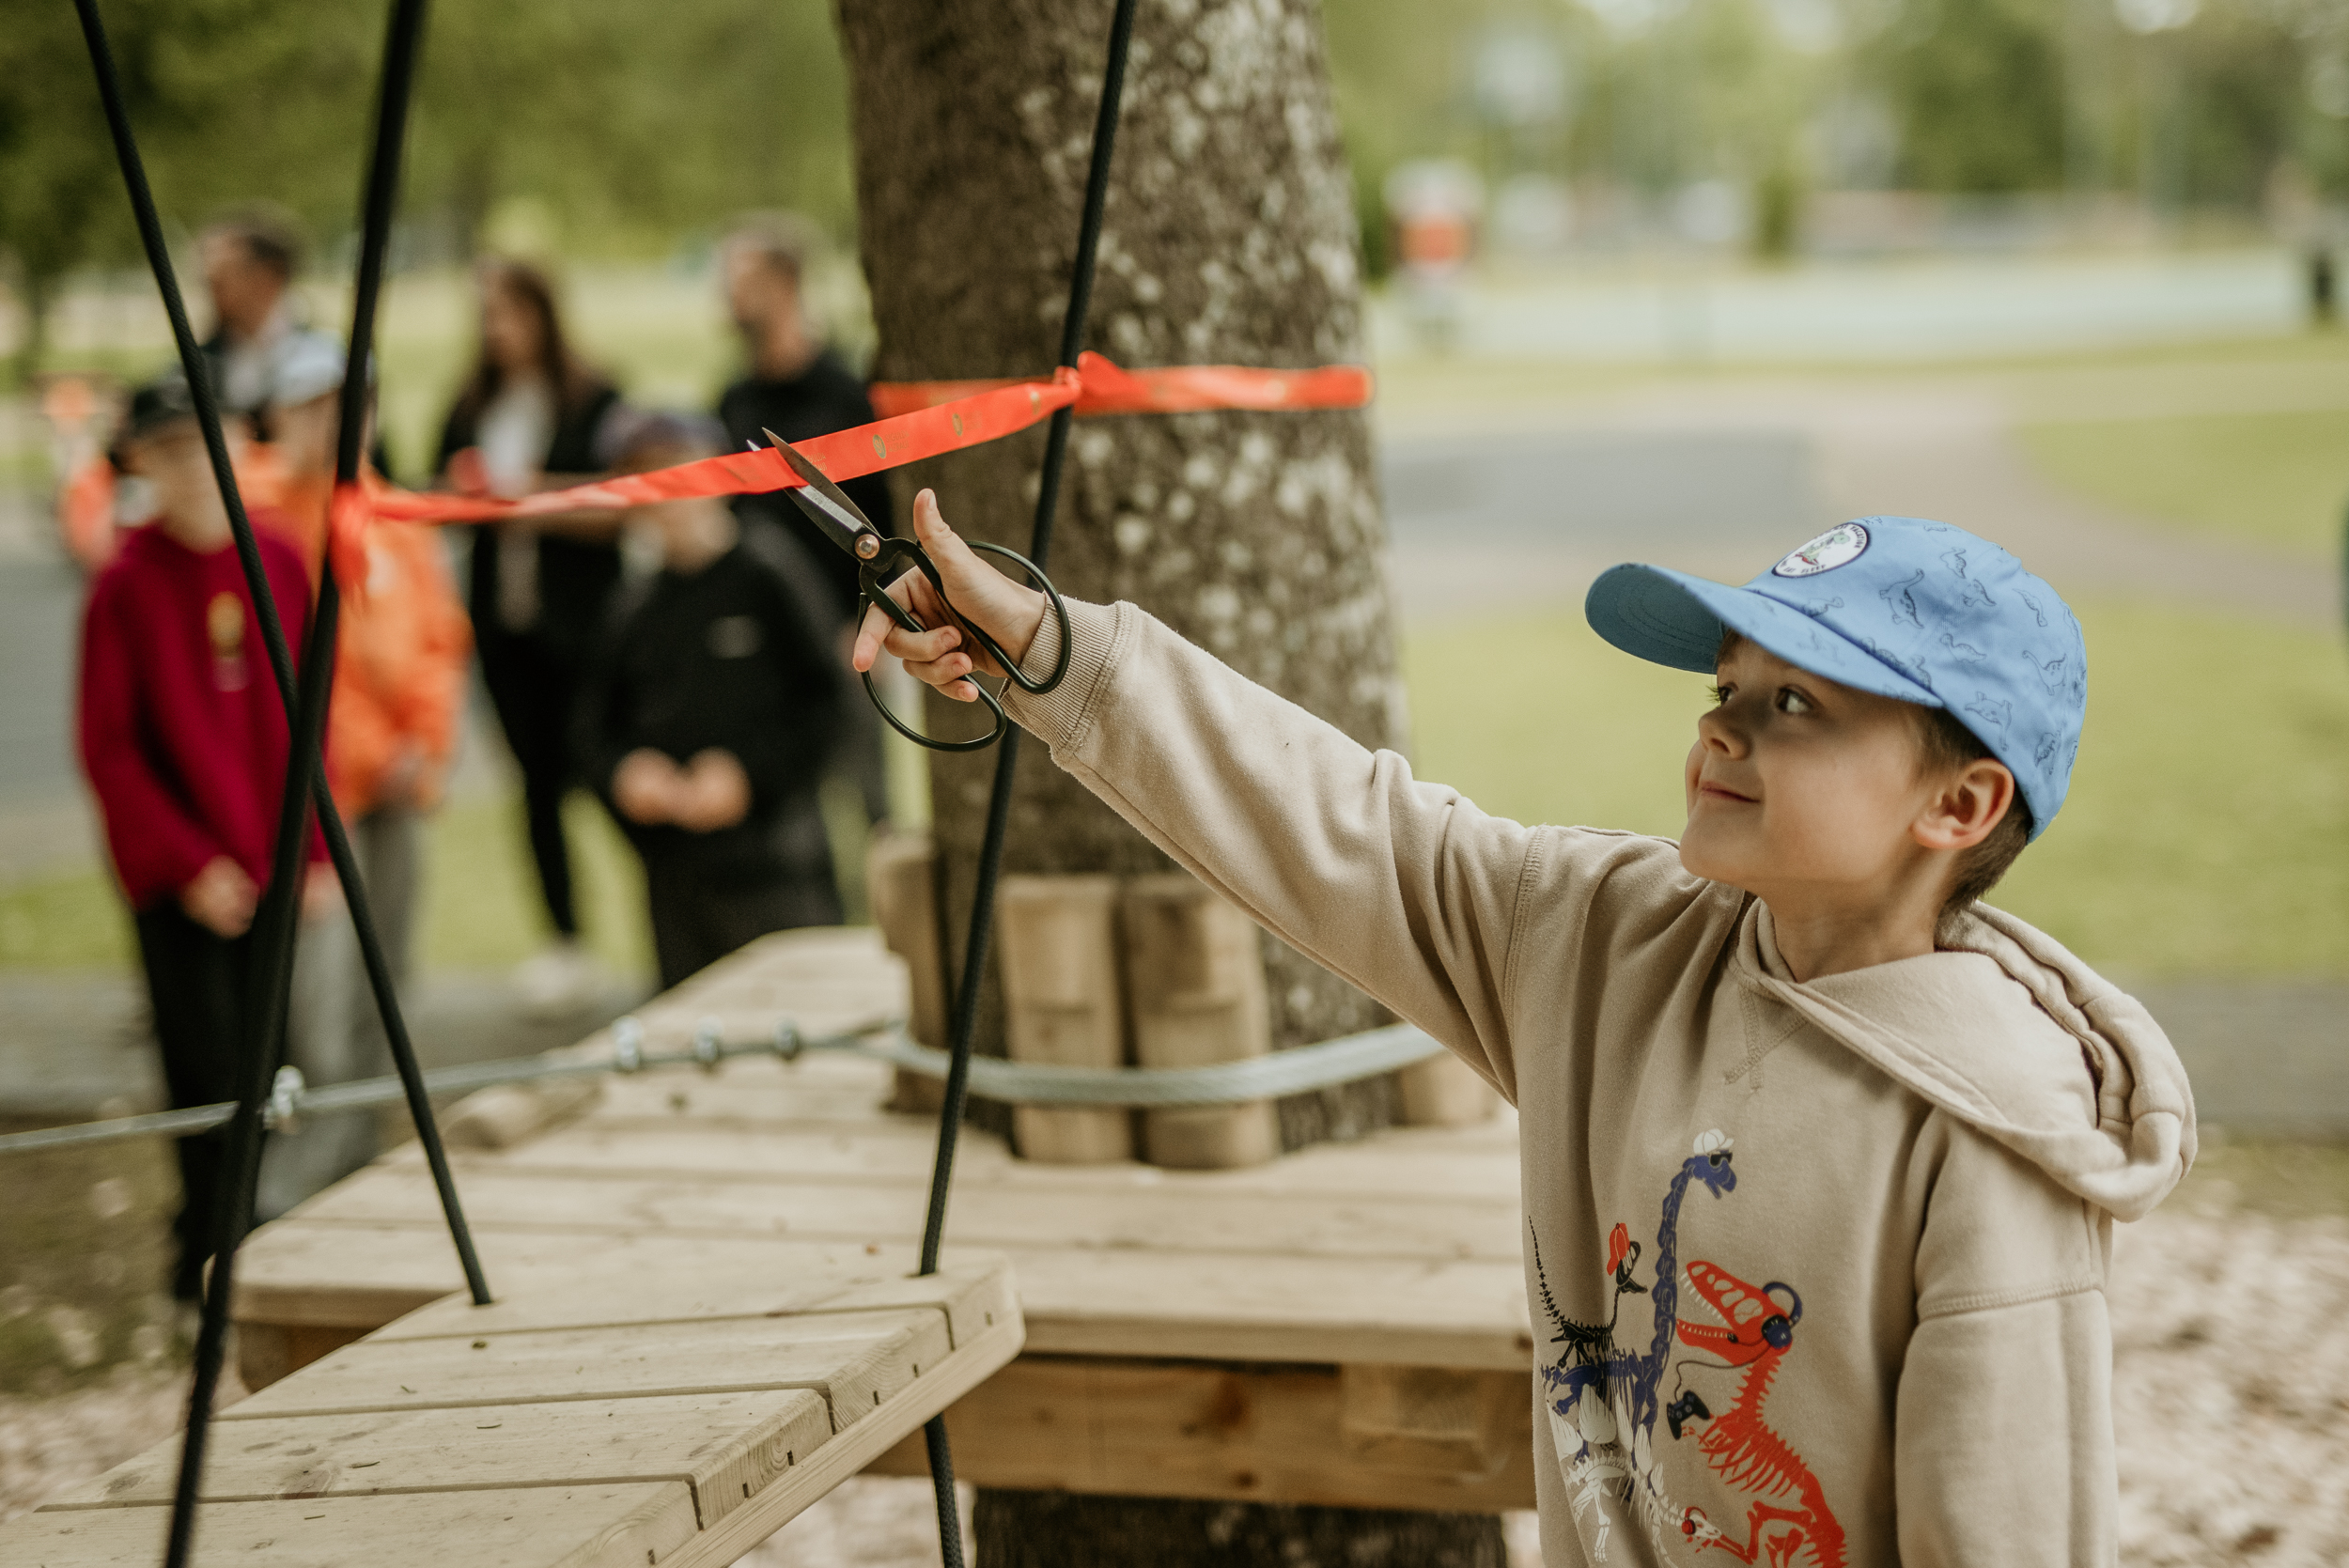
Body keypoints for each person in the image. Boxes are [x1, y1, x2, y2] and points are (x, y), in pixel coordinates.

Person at [860, 498, 2195, 1564]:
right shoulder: (1608, 939)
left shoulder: (1994, 1141)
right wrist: (1053, 650)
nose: (1720, 726)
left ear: (1958, 807)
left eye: (1795, 704)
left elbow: (2006, 1529)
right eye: (1726, 683)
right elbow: (1341, 825)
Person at [76, 375, 331, 1303]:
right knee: (205, 1071)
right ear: (141, 463)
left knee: (272, 1061)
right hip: (184, 879)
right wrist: (188, 865)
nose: (192, 468)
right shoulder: (124, 586)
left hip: (271, 865)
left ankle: (255, 1240)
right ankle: (208, 1262)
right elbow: (110, 749)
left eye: (205, 443)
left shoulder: (280, 561)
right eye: (171, 450)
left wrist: (310, 850)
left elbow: (309, 719)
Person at [247, 339, 474, 1217]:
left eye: (355, 402)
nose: (342, 422)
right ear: (283, 415)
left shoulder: (392, 511)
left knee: (389, 980)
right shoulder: (266, 515)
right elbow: (300, 667)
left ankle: (361, 1168)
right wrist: (373, 749)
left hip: (397, 788)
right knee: (321, 999)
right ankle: (293, 1191)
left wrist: (426, 740)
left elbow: (439, 638)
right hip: (319, 797)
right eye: (317, 406)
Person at [576, 414, 848, 989]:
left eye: (678, 473)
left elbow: (830, 706)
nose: (669, 500)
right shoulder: (633, 606)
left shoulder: (770, 577)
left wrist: (749, 777)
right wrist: (625, 774)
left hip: (777, 863)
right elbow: (592, 728)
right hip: (677, 877)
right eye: (648, 481)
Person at [435, 259, 628, 1014]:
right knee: (535, 788)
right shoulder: (471, 404)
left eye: (511, 313)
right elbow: (442, 496)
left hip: (584, 627)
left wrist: (525, 497)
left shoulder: (595, 398)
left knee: (606, 770)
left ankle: (674, 915)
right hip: (505, 630)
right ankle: (566, 940)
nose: (498, 330)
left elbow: (622, 504)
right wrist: (467, 495)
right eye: (488, 315)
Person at [715, 215, 893, 829]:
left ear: (785, 283)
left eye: (741, 280)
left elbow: (879, 515)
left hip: (843, 633)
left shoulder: (844, 395)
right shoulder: (733, 399)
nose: (727, 297)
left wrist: (867, 616)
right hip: (767, 639)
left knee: (869, 799)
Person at [198, 206, 340, 440]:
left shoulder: (331, 361)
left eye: (227, 272)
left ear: (271, 275)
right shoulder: (199, 364)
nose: (211, 282)